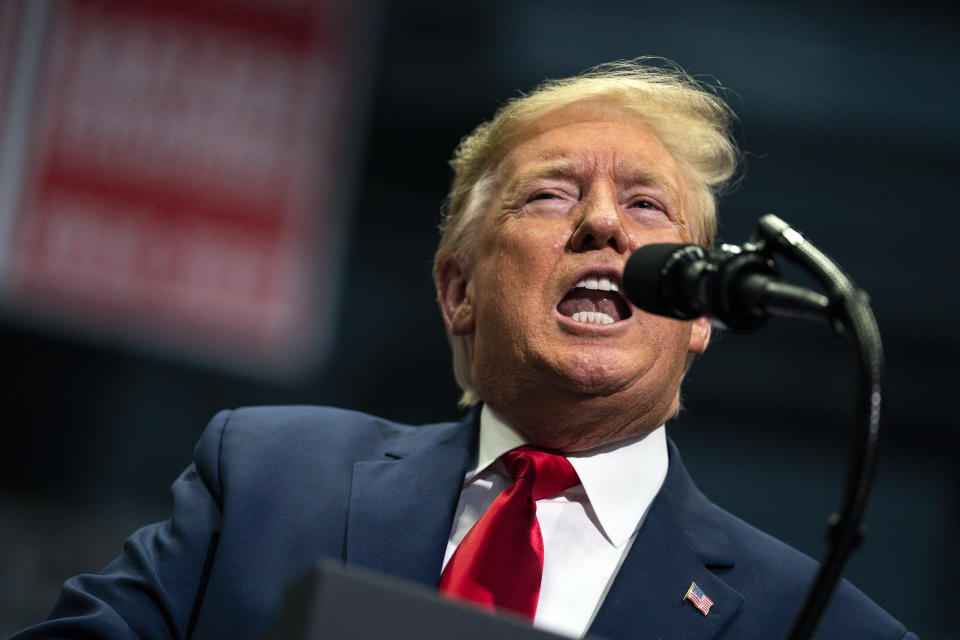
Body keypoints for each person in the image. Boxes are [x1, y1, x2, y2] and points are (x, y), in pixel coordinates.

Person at [12, 58, 914, 640]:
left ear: (698, 315)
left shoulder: (822, 624)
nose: (603, 221)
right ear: (458, 292)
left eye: (648, 207)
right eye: (552, 196)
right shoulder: (267, 476)